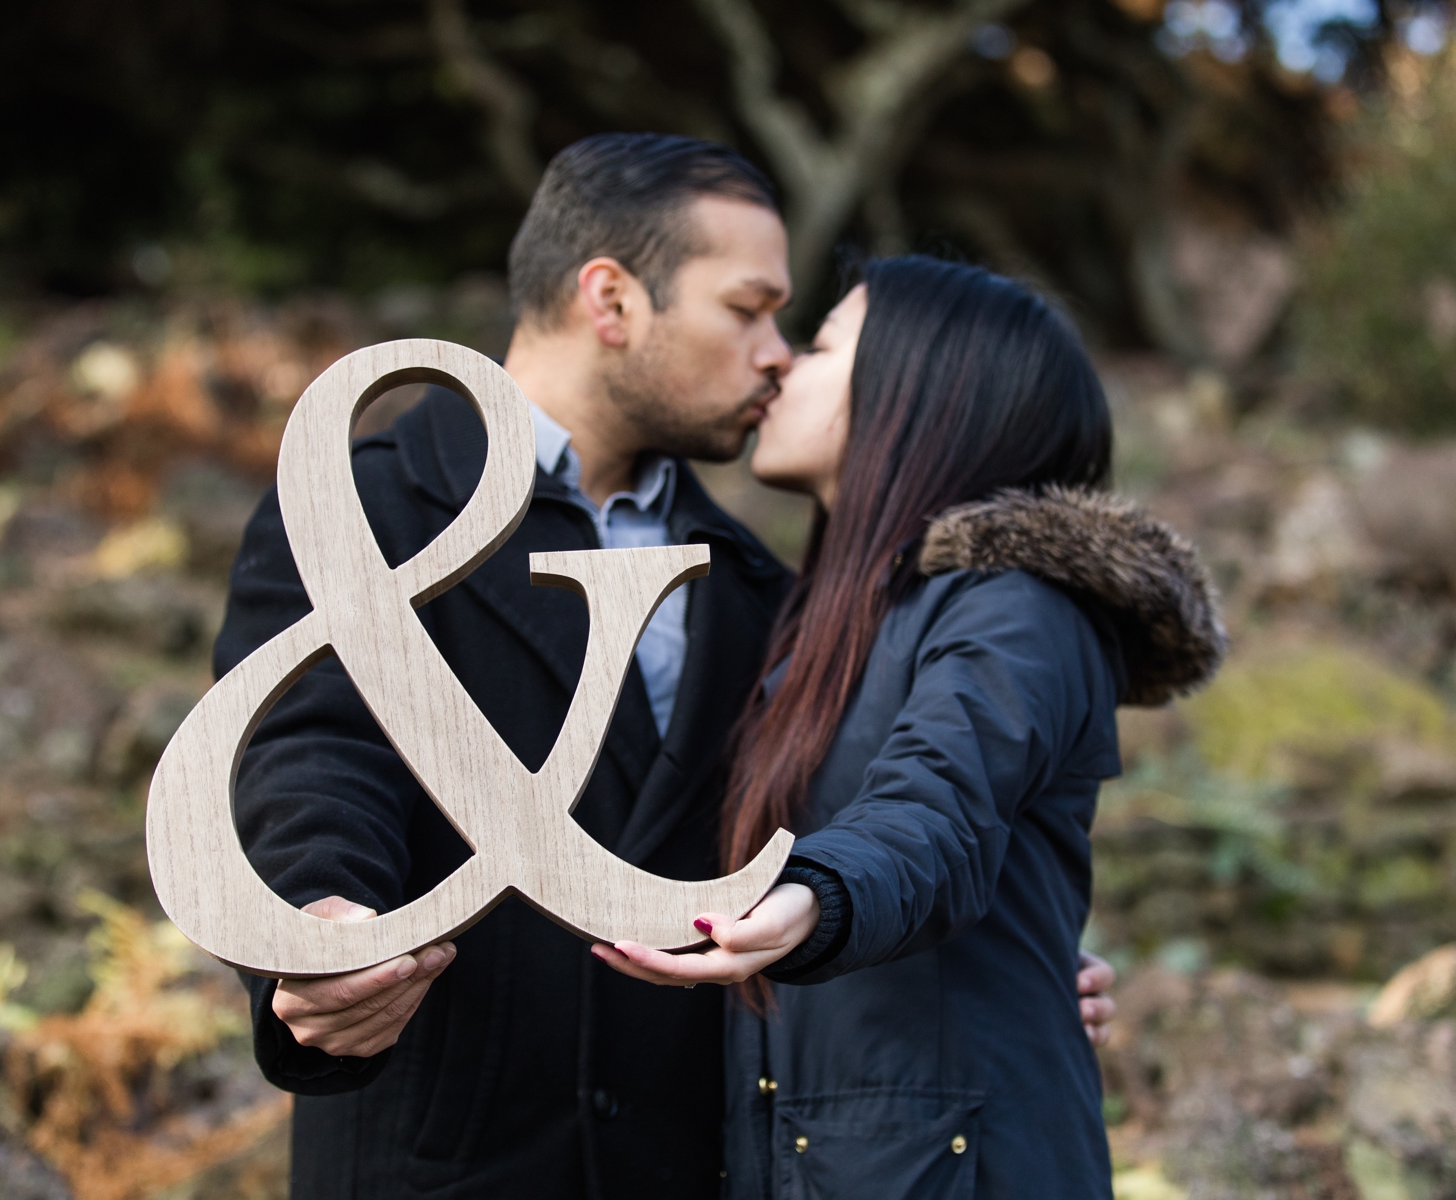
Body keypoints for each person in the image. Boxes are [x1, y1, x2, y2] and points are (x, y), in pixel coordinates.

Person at [214, 135, 1115, 1200]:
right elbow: (308, 744)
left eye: (794, 327)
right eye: (748, 309)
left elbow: (902, 803)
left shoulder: (757, 583)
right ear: (613, 301)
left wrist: (1009, 955)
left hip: (684, 1163)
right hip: (445, 1160)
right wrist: (319, 924)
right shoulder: (372, 501)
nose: (775, 352)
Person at [596, 257, 1224, 1198]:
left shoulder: (1018, 609)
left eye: (821, 345)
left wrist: (812, 895)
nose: (781, 368)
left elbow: (934, 809)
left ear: (921, 395)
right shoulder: (831, 624)